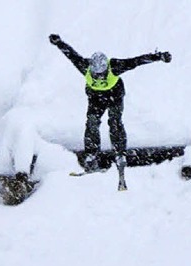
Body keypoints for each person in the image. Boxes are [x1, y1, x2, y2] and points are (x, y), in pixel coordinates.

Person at [49, 34, 172, 171]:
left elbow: (136, 61)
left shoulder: (115, 66)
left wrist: (158, 57)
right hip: (96, 99)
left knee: (114, 122)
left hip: (115, 96)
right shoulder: (85, 67)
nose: (99, 77)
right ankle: (91, 154)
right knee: (92, 122)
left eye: (102, 74)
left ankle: (120, 153)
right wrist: (59, 43)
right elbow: (72, 55)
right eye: (96, 75)